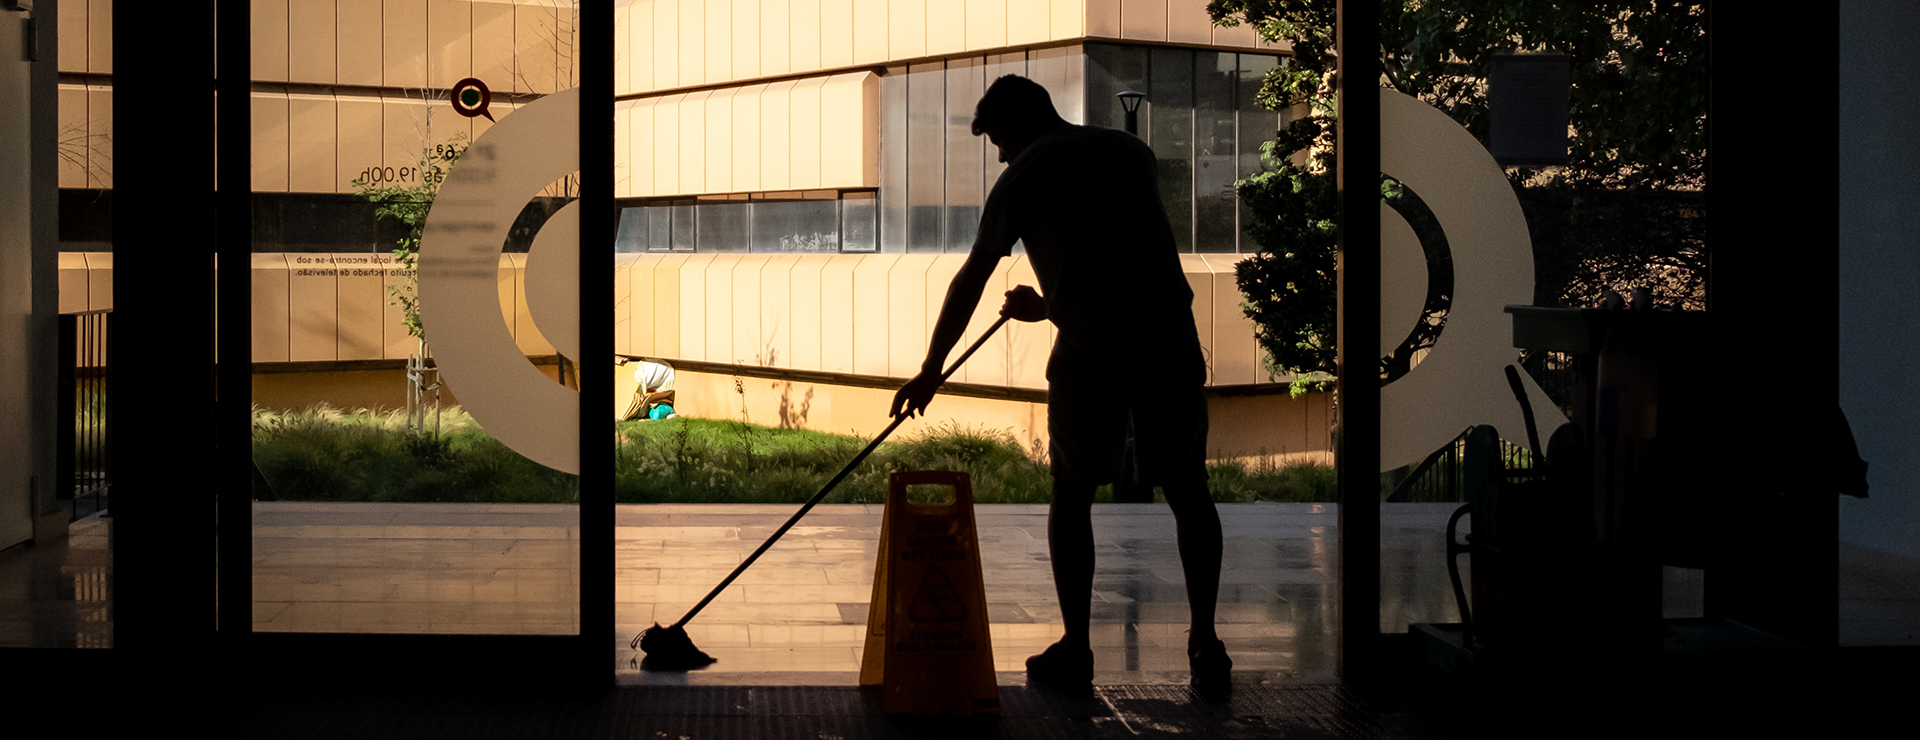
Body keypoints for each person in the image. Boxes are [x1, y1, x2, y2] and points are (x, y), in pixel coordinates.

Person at [888, 75, 1230, 698]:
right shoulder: (1132, 155)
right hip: (1167, 342)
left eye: (997, 139)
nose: (997, 154)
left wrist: (932, 368)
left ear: (1017, 124)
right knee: (1188, 489)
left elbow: (973, 276)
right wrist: (1048, 305)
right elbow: (1119, 264)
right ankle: (1205, 639)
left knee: (1072, 494)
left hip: (1090, 355)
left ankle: (1077, 647)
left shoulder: (1026, 174)